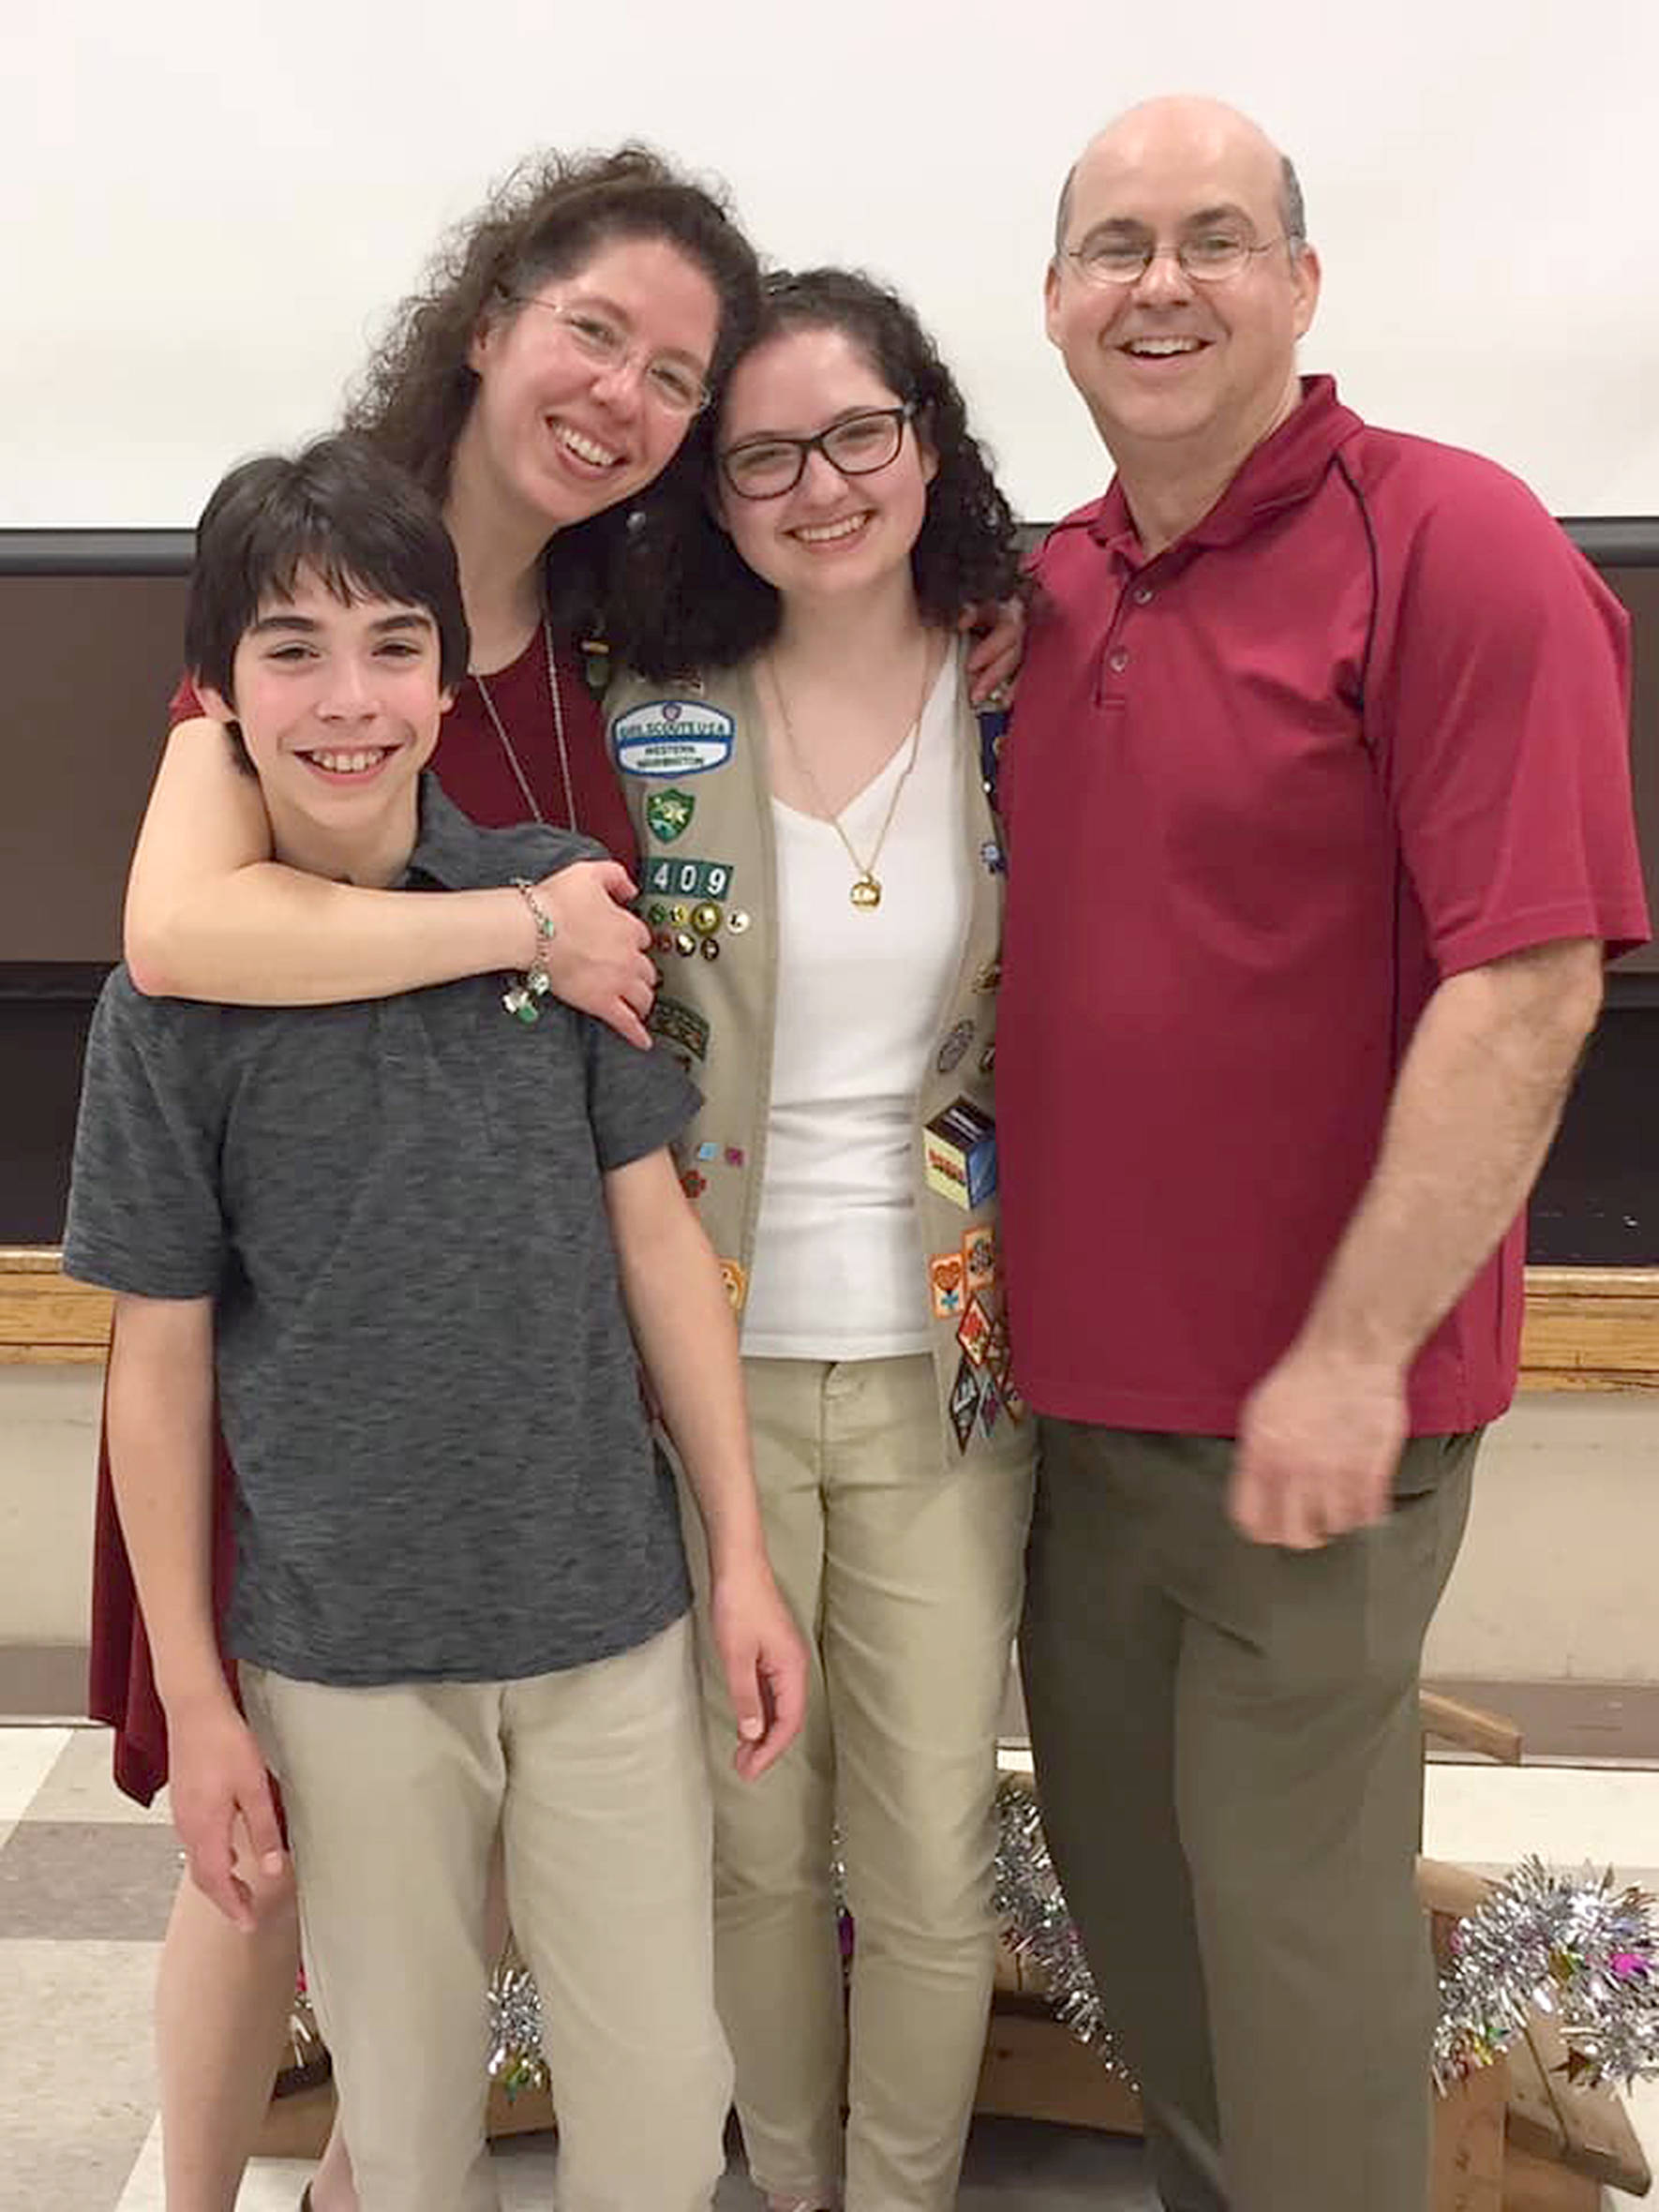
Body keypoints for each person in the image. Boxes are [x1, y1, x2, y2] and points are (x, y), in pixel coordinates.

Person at [92, 144, 765, 2212]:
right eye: (593, 331)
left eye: (676, 375)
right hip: (295, 1375)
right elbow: (180, 938)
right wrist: (520, 929)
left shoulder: (591, 640)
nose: (622, 394)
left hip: (528, 1410)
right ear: (488, 325)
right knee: (267, 1848)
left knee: (484, 1885)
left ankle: (367, 2174)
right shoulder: (303, 603)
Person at [997, 96, 1651, 2212]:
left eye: (1213, 238)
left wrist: (1355, 1355)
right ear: (1054, 300)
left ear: (1299, 281)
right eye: (1115, 246)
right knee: (1144, 1929)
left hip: (1318, 1418)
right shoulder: (1050, 589)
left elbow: (1529, 985)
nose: (1160, 284)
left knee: (1295, 1961)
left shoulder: (1455, 544)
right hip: (1076, 1419)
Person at [604, 267, 1037, 2212]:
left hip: (956, 1372)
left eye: (858, 434)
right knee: (756, 1840)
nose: (821, 485)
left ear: (925, 442)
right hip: (712, 1371)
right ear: (712, 492)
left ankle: (903, 2190)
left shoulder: (1027, 692)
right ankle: (787, 2182)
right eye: (764, 455)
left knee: (931, 1851)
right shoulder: (650, 719)